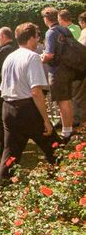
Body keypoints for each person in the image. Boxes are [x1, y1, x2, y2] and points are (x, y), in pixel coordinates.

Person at [0, 23, 57, 180]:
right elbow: (36, 91)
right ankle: (65, 180)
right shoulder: (32, 57)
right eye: (37, 37)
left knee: (11, 151)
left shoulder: (10, 57)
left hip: (8, 108)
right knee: (55, 147)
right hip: (26, 109)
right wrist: (46, 120)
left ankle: (2, 184)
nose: (38, 40)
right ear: (31, 39)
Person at [41, 7, 76, 139]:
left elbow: (49, 54)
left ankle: (66, 132)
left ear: (46, 18)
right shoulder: (65, 30)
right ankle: (69, 128)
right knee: (67, 100)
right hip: (69, 69)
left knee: (62, 101)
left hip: (57, 70)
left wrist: (41, 58)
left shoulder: (51, 32)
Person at [0, 27, 17, 150]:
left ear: (3, 36)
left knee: (2, 120)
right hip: (16, 89)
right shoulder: (16, 49)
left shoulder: (3, 51)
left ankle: (4, 147)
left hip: (3, 89)